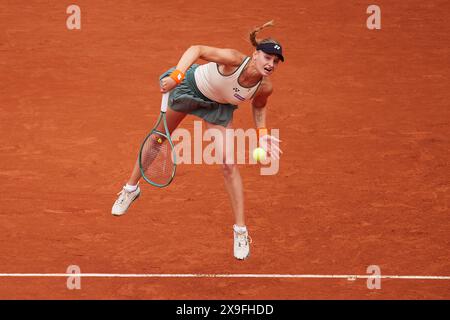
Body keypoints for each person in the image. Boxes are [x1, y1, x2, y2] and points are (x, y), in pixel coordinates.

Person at [112, 21, 284, 260]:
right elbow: (197, 49)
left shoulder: (264, 87)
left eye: (275, 62)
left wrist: (262, 135)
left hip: (218, 107)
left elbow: (259, 108)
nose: (271, 64)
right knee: (159, 137)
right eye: (267, 57)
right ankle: (130, 189)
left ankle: (240, 231)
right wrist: (176, 75)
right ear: (255, 55)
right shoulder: (234, 59)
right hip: (190, 88)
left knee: (228, 165)